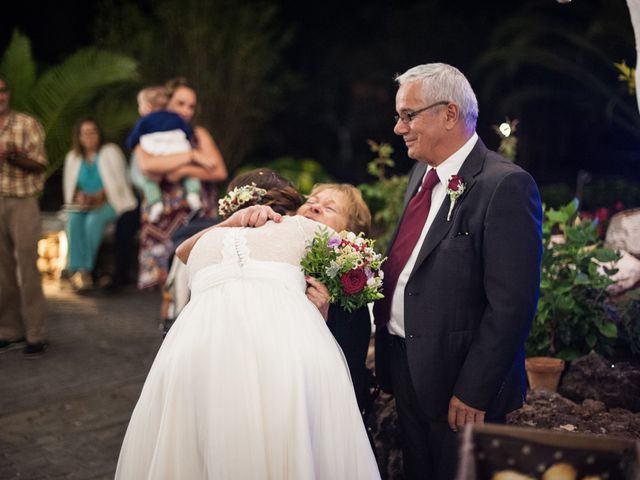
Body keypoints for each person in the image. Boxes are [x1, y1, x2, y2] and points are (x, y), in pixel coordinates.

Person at [115, 169, 381, 479]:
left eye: (330, 207)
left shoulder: (349, 283)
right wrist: (236, 222)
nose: (316, 206)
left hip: (294, 384)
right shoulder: (276, 233)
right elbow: (184, 249)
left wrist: (322, 320)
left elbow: (347, 374)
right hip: (214, 356)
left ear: (351, 232)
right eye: (313, 200)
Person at [373, 63, 543, 479]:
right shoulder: (422, 173)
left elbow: (512, 306)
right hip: (409, 369)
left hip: (460, 389)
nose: (399, 128)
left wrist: (474, 389)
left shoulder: (505, 185)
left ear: (450, 114)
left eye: (408, 115)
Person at [135, 77, 227, 290]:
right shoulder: (146, 132)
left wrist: (181, 170)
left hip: (195, 216)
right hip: (160, 217)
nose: (187, 111)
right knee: (166, 287)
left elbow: (218, 169)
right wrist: (193, 156)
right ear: (165, 103)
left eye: (191, 106)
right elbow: (148, 165)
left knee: (197, 282)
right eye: (180, 104)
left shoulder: (197, 133)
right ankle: (167, 323)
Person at [0, 76, 49, 357]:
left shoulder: (26, 124)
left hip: (23, 202)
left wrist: (12, 155)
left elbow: (39, 164)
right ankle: (9, 330)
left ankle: (36, 334)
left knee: (28, 266)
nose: (1, 96)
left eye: (4, 90)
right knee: (2, 271)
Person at [62, 119, 137, 291]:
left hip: (110, 201)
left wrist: (99, 195)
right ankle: (74, 268)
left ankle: (84, 270)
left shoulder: (110, 151)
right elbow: (71, 185)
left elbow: (119, 181)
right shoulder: (73, 157)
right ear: (79, 137)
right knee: (73, 220)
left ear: (99, 133)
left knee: (92, 222)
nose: (89, 136)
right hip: (83, 204)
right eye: (85, 133)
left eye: (93, 131)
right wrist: (80, 196)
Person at [128, 86, 202, 223]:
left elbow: (133, 140)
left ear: (147, 106)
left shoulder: (143, 122)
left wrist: (132, 145)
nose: (186, 110)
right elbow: (187, 131)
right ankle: (193, 194)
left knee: (149, 181)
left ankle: (155, 202)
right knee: (191, 176)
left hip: (155, 151)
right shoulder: (175, 118)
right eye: (181, 104)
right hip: (177, 148)